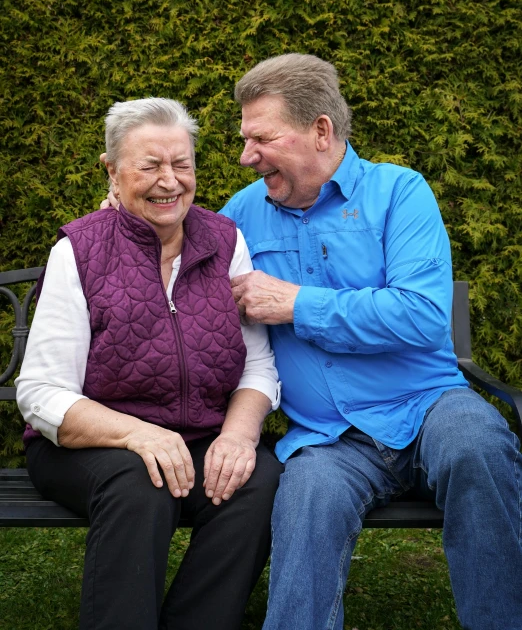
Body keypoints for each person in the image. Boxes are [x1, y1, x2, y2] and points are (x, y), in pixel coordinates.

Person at [219, 53, 522, 630]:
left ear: (321, 131)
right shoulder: (240, 215)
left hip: (429, 404)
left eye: (261, 138)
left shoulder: (399, 192)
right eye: (244, 138)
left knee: (477, 445)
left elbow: (422, 314)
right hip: (331, 439)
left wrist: (296, 304)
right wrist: (122, 219)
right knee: (306, 498)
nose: (245, 156)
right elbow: (174, 262)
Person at [16, 97, 283, 630]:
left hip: (197, 436)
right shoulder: (79, 250)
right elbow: (42, 392)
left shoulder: (224, 241)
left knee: (259, 481)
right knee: (142, 482)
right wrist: (139, 435)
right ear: (113, 172)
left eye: (181, 164)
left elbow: (256, 366)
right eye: (150, 165)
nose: (170, 181)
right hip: (88, 445)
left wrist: (237, 435)